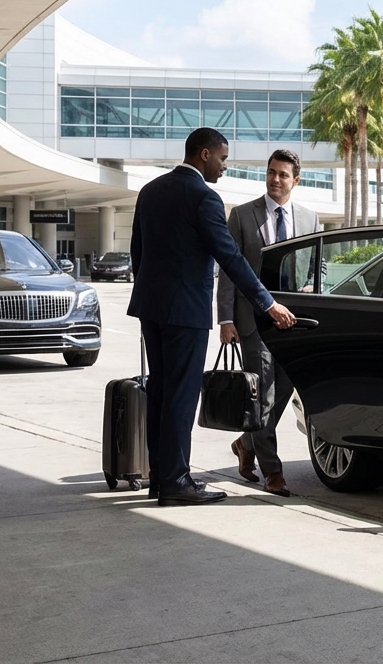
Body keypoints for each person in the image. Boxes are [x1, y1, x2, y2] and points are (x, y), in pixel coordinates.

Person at [128, 127, 296, 507]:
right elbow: (230, 258)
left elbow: (138, 251)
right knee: (181, 396)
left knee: (160, 391)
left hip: (150, 307)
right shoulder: (204, 196)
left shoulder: (150, 190)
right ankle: (176, 481)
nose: (224, 166)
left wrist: (151, 294)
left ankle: (160, 476)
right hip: (185, 311)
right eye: (222, 158)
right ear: (203, 154)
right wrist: (267, 303)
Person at [217, 149, 319, 497]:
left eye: (283, 174)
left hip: (292, 322)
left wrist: (311, 286)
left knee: (285, 388)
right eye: (271, 172)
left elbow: (315, 265)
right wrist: (226, 318)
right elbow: (229, 270)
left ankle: (247, 442)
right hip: (253, 321)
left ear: (296, 180)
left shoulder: (310, 218)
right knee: (260, 395)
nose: (275, 179)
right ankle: (273, 472)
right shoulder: (244, 216)